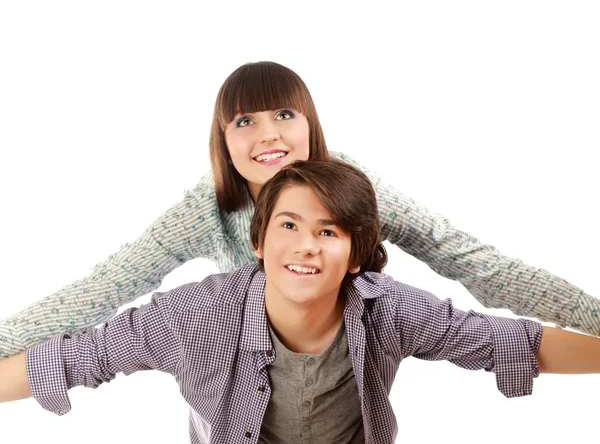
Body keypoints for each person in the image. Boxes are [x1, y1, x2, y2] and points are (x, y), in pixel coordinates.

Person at [0, 61, 597, 360]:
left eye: (285, 114)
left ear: (309, 122)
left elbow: (471, 259)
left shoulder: (353, 180)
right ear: (224, 140)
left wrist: (591, 317)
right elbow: (104, 287)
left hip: (344, 368)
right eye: (245, 121)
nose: (269, 134)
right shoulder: (207, 208)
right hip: (245, 379)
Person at [1, 159, 598, 444]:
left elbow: (506, 341)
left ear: (357, 255)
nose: (305, 245)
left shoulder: (384, 307)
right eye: (287, 225)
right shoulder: (195, 315)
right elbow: (82, 354)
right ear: (257, 242)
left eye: (329, 231)